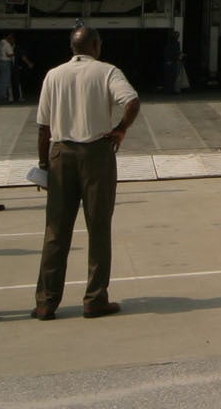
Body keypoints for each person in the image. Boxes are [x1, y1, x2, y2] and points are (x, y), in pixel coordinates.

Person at [31, 26, 140, 320]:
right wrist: (120, 130)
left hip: (60, 152)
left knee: (56, 230)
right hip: (96, 153)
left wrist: (44, 166)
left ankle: (46, 302)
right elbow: (132, 102)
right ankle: (95, 298)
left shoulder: (53, 75)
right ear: (94, 45)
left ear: (72, 47)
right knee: (99, 227)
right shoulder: (107, 72)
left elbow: (43, 127)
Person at [0, 33, 15, 104]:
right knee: (5, 81)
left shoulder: (1, 43)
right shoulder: (7, 44)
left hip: (0, 62)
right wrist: (13, 52)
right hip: (5, 63)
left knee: (1, 81)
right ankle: (2, 98)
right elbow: (9, 54)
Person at [162, 30, 182, 95]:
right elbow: (176, 53)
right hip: (172, 62)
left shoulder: (169, 43)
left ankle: (168, 90)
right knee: (172, 77)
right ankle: (170, 90)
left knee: (168, 77)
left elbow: (167, 52)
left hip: (169, 62)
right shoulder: (176, 44)